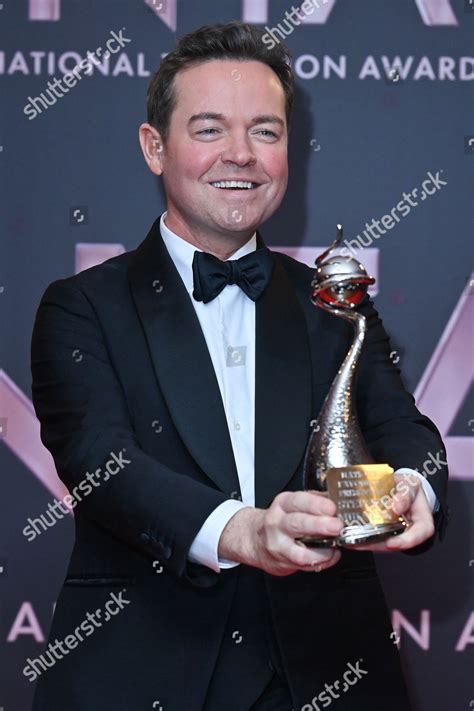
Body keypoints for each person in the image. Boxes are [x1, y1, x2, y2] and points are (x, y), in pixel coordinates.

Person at [30, 21, 448, 711]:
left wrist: (411, 491)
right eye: (209, 129)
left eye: (265, 130)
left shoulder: (334, 305)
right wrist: (244, 530)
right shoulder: (82, 307)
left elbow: (404, 429)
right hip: (143, 673)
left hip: (327, 675)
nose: (241, 155)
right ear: (154, 147)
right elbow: (100, 461)